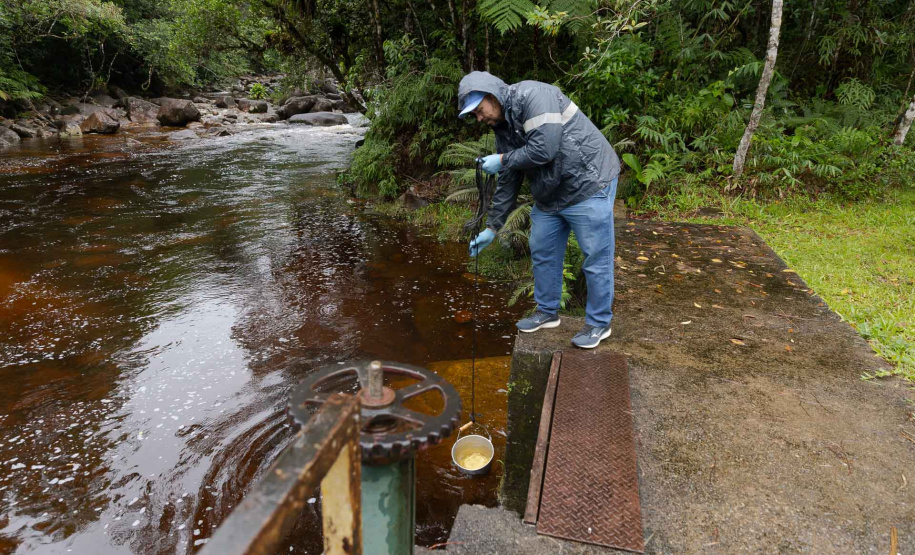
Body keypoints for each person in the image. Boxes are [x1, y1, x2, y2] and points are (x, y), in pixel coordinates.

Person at [458, 71, 620, 349]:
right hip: (550, 192)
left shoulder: (534, 96)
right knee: (543, 249)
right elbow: (509, 176)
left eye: (479, 111)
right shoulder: (502, 127)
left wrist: (503, 159)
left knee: (595, 256)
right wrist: (491, 227)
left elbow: (544, 149)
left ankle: (598, 323)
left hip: (588, 182)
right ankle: (547, 312)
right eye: (474, 115)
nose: (479, 118)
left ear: (492, 96)